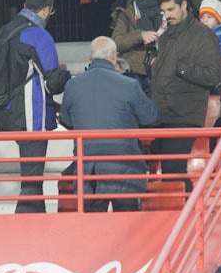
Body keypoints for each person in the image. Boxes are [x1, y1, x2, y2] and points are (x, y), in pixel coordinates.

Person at [0, 0, 69, 214]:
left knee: (31, 177)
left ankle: (35, 220)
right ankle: (27, 222)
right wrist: (65, 75)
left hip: (5, 109)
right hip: (32, 114)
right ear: (46, 10)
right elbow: (53, 83)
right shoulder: (39, 35)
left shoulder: (6, 30)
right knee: (32, 179)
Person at [59, 37, 158, 213]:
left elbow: (67, 121)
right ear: (114, 57)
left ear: (90, 57)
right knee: (128, 228)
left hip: (88, 169)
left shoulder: (72, 85)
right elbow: (150, 117)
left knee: (92, 230)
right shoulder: (129, 85)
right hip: (124, 168)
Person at [147, 0, 221, 168]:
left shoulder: (204, 35)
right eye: (164, 11)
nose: (167, 15)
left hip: (183, 116)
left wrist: (180, 68)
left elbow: (213, 76)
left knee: (174, 171)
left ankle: (190, 198)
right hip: (161, 115)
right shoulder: (166, 36)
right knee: (167, 173)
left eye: (171, 9)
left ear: (184, 5)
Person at [110, 0, 165, 81]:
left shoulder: (169, 9)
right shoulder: (127, 11)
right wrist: (140, 35)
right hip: (134, 69)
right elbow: (116, 43)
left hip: (164, 67)